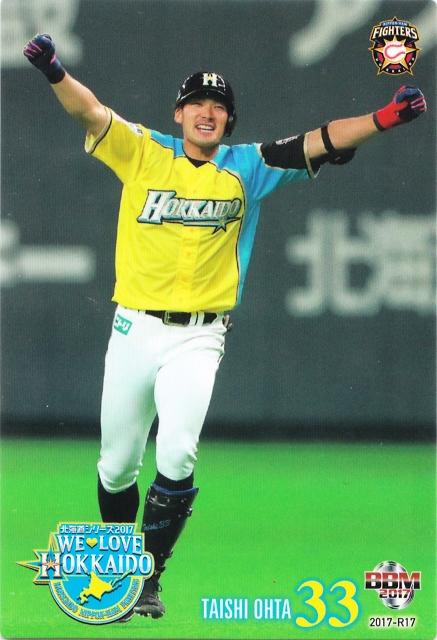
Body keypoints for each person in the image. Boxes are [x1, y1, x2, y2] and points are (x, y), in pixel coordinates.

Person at [23, 33, 426, 622]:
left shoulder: (250, 167)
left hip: (200, 335)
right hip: (134, 328)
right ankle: (118, 566)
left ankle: (147, 578)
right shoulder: (143, 151)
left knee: (178, 452)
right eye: (196, 104)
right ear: (178, 113)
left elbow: (322, 139)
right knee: (116, 465)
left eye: (218, 106)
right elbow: (90, 112)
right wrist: (55, 71)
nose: (207, 112)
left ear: (228, 120)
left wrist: (383, 118)